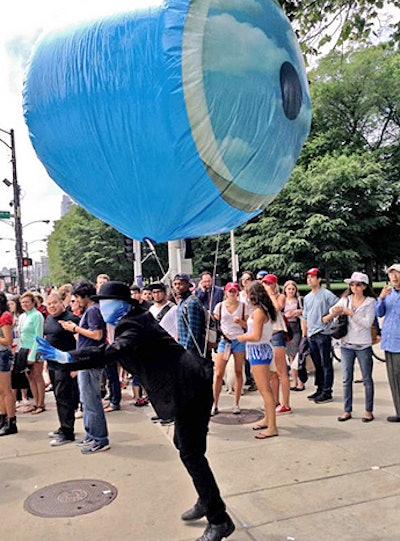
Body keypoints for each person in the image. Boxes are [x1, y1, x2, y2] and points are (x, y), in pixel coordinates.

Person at [37, 281, 235, 541]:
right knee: (186, 446)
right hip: (187, 385)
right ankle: (206, 498)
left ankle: (219, 520)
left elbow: (113, 350)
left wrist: (68, 357)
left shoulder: (132, 324)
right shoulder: (132, 319)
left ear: (121, 305)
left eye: (105, 302)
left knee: (191, 453)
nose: (101, 307)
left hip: (190, 389)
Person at [59, 280, 109, 453]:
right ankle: (91, 435)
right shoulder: (92, 310)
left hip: (90, 360)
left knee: (91, 400)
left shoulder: (93, 310)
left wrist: (75, 329)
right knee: (86, 400)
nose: (76, 301)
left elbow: (97, 335)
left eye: (78, 298)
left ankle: (100, 438)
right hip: (86, 359)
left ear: (85, 296)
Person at [324, 272, 376, 422]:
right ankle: (347, 410)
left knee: (367, 379)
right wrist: (333, 312)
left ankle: (368, 410)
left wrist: (351, 313)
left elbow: (367, 323)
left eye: (358, 284)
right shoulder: (345, 299)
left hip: (363, 344)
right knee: (347, 379)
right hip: (346, 344)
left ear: (364, 286)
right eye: (352, 284)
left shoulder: (370, 302)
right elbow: (333, 310)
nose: (354, 287)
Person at [237, 281, 278, 439]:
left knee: (265, 390)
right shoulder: (262, 310)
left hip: (258, 350)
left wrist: (241, 337)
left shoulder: (259, 312)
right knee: (265, 389)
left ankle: (272, 426)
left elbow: (256, 336)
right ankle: (268, 419)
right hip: (260, 349)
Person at [44, 292, 80, 445]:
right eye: (49, 303)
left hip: (66, 365)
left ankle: (67, 432)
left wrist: (76, 366)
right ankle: (64, 426)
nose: (52, 306)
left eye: (54, 303)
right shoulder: (49, 319)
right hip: (52, 363)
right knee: (59, 397)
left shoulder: (71, 319)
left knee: (65, 397)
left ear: (62, 303)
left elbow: (80, 343)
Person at [211, 282, 248, 416]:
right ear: (226, 292)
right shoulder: (220, 306)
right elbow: (214, 324)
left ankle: (236, 403)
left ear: (237, 292)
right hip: (224, 341)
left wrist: (240, 322)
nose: (232, 293)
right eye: (230, 291)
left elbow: (247, 325)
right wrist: (222, 334)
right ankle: (214, 403)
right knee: (219, 373)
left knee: (239, 371)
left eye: (234, 291)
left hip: (238, 340)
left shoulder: (243, 306)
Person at [302, 268, 337, 403]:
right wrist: (305, 332)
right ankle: (320, 388)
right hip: (311, 334)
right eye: (308, 277)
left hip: (323, 333)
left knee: (325, 363)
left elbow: (339, 307)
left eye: (312, 277)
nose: (309, 280)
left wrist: (329, 317)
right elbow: (305, 315)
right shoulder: (307, 297)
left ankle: (327, 391)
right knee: (317, 364)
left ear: (319, 279)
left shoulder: (326, 294)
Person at [262, 274, 291, 414]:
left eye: (269, 283)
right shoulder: (263, 299)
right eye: (265, 283)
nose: (267, 285)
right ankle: (275, 400)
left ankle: (286, 403)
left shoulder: (280, 296)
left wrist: (271, 294)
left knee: (281, 371)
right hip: (267, 336)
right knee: (272, 372)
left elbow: (277, 308)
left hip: (277, 333)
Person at [375, 264, 400, 422]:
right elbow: (379, 312)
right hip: (389, 341)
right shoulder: (388, 293)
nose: (394, 277)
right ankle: (399, 411)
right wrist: (381, 298)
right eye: (392, 274)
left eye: (397, 274)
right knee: (393, 378)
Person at [19, 292, 45, 414]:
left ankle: (41, 403)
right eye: (23, 302)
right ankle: (35, 401)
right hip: (24, 349)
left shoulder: (37, 316)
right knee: (30, 377)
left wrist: (32, 354)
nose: (25, 304)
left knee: (37, 376)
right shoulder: (22, 316)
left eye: (27, 302)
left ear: (33, 302)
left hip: (36, 349)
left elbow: (38, 336)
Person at [174, 273, 206, 355]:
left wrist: (187, 351)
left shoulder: (192, 302)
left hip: (192, 351)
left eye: (180, 284)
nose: (177, 287)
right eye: (175, 284)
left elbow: (193, 331)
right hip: (182, 346)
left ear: (188, 285)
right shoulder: (181, 301)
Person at [0, 291, 17, 436]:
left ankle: (11, 420)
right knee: (1, 390)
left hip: (3, 354)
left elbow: (8, 340)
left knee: (6, 390)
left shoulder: (5, 316)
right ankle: (3, 417)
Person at [283, 280, 304, 391]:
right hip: (287, 328)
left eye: (293, 289)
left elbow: (305, 311)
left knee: (297, 355)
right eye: (289, 289)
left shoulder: (299, 300)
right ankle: (294, 380)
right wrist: (285, 315)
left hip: (297, 327)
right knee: (291, 356)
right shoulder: (283, 301)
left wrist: (299, 312)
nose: (291, 291)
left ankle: (300, 381)